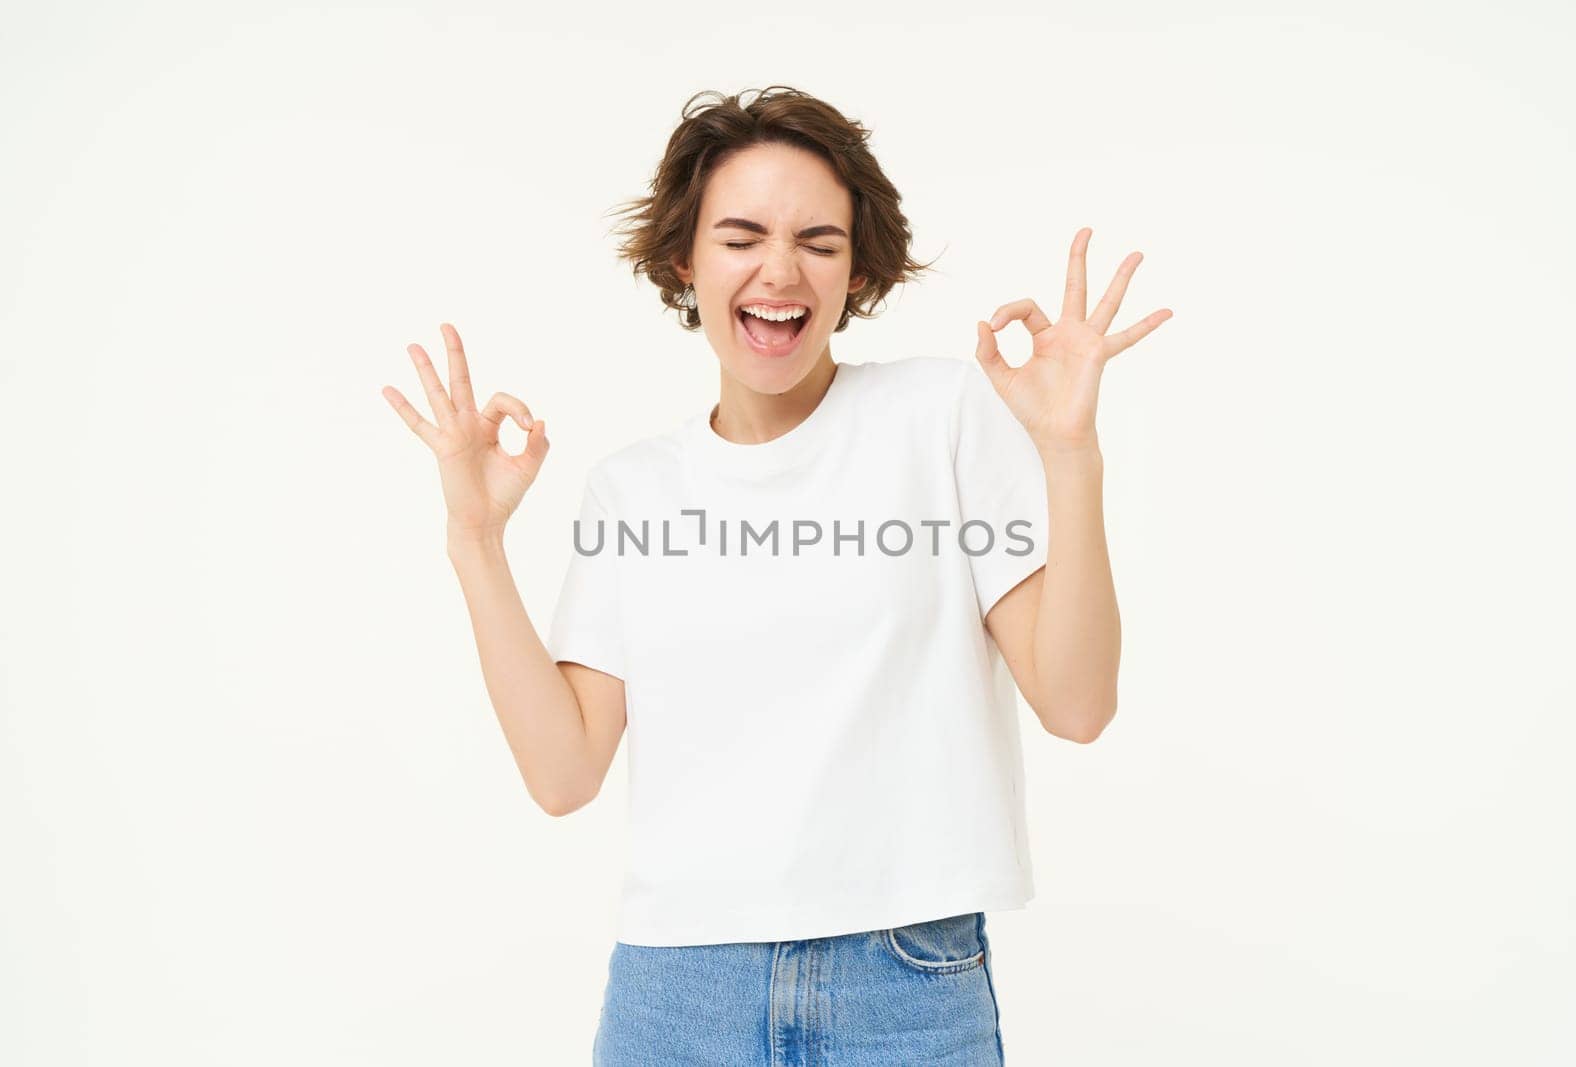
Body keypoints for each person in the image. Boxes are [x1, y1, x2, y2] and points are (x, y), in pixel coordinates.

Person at [382, 85, 1171, 1066]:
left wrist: (1069, 452)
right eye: (740, 236)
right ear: (685, 259)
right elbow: (562, 770)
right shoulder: (633, 488)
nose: (779, 271)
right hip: (676, 996)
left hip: (905, 986)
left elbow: (1078, 701)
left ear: (856, 269)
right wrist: (474, 539)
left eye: (820, 241)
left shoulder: (944, 417)